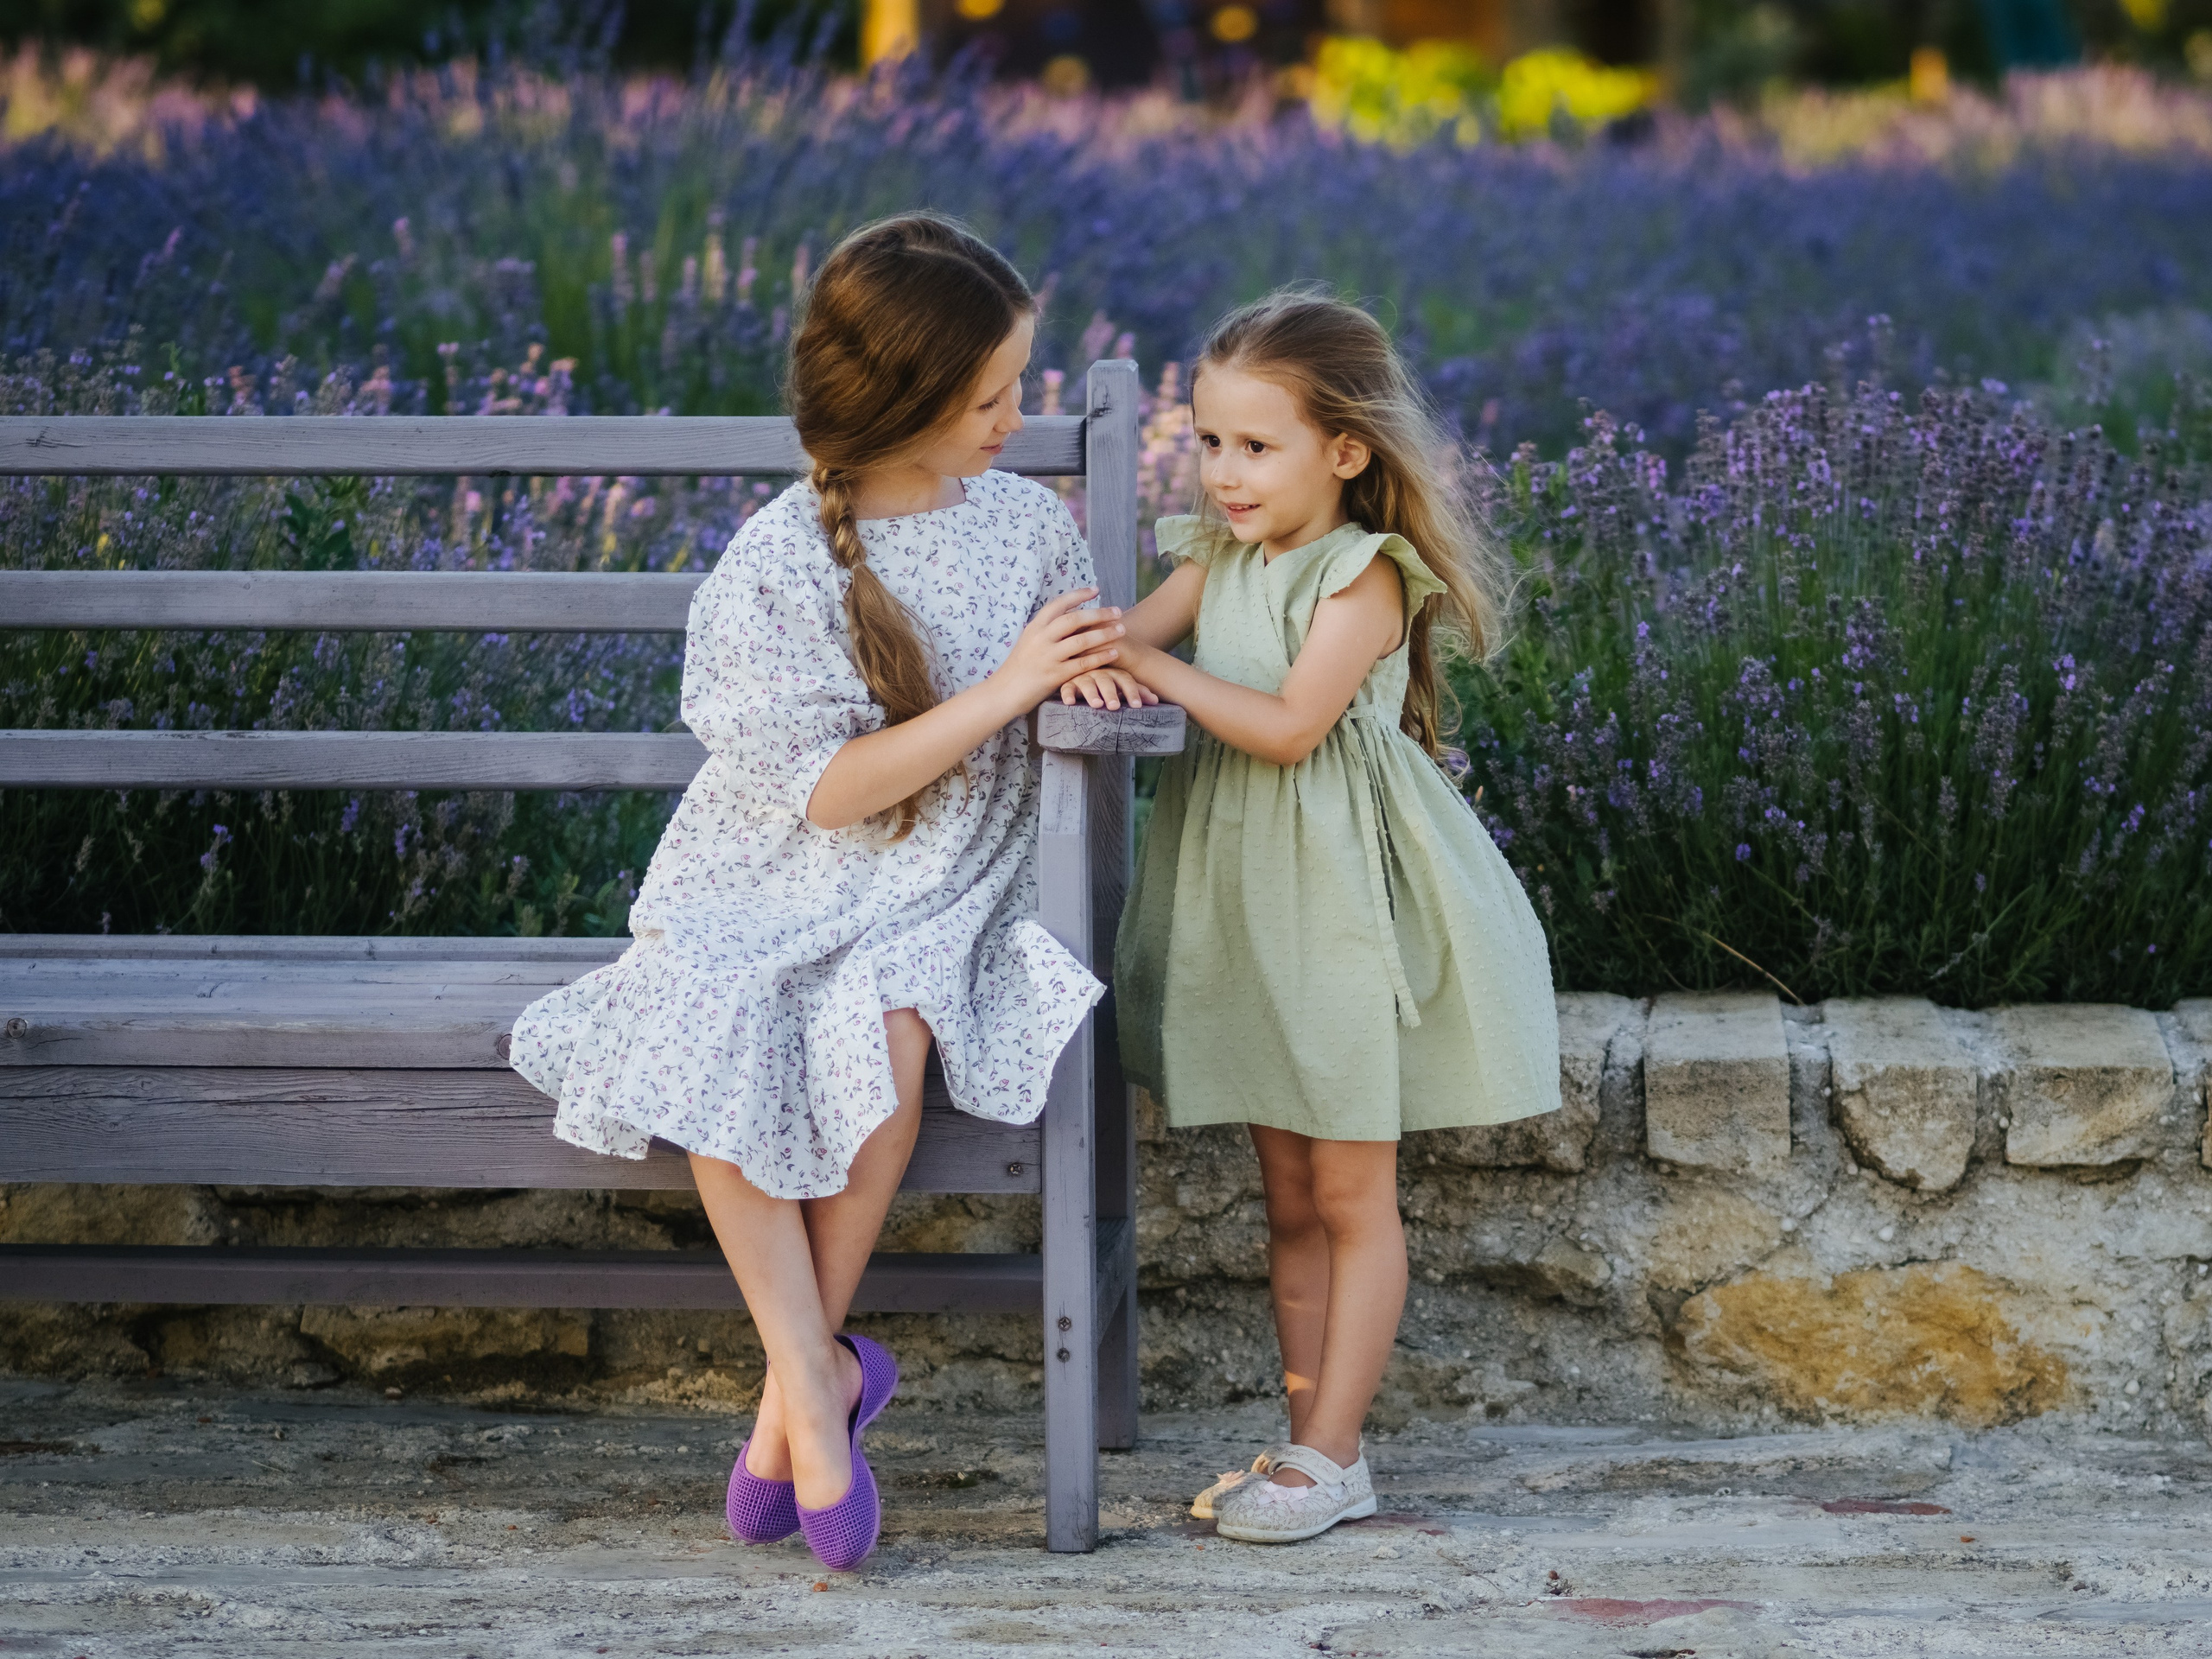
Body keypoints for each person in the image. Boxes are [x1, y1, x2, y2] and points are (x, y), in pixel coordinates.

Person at [508, 213, 1149, 1572]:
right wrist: (1009, 689)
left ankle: (791, 1409)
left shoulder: (1027, 530)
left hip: (947, 874)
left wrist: (1094, 671)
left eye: (1020, 385)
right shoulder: (784, 556)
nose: (1016, 419)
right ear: (901, 400)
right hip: (784, 864)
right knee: (723, 1010)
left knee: (889, 1026)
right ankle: (817, 1381)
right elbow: (830, 794)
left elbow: (1084, 666)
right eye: (988, 397)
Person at [1083, 288, 1563, 1544]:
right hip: (1246, 902)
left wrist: (1149, 667)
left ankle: (1336, 1455)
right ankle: (1307, 1444)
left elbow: (1292, 727)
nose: (1225, 472)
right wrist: (1074, 656)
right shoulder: (1218, 555)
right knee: (1288, 1195)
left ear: (1346, 452)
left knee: (1351, 1192)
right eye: (1210, 442)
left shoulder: (1364, 575)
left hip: (1340, 905)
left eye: (1257, 445)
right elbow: (1123, 638)